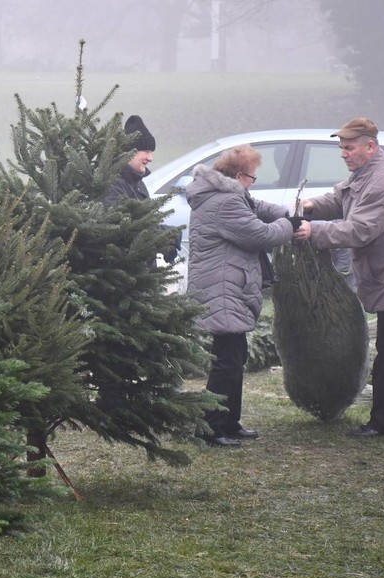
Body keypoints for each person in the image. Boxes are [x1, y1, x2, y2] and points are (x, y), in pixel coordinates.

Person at [293, 117, 384, 437]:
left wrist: (313, 231)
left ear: (370, 146)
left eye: (349, 148)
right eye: (341, 148)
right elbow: (344, 200)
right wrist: (314, 204)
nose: (343, 154)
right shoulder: (366, 172)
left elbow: (360, 229)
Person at [187, 145, 298, 446]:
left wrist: (288, 213)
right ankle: (210, 428)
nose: (254, 182)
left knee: (235, 356)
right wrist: (291, 225)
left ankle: (229, 421)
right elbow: (261, 235)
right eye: (253, 176)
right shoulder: (225, 203)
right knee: (228, 360)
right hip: (222, 289)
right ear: (238, 176)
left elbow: (259, 207)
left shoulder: (228, 195)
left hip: (227, 287)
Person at [104, 114, 178, 263]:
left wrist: (165, 243)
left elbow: (146, 222)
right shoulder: (113, 184)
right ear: (129, 152)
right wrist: (165, 235)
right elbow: (125, 226)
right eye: (146, 151)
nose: (151, 158)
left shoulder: (138, 184)